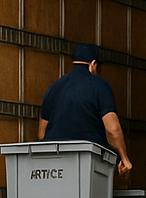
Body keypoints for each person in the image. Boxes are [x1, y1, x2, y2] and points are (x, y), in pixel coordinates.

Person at [38, 42, 133, 176]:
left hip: (54, 165)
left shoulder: (53, 87)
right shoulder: (100, 86)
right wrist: (124, 158)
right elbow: (112, 129)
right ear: (93, 64)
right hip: (88, 162)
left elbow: (42, 134)